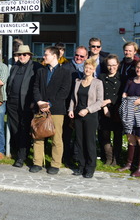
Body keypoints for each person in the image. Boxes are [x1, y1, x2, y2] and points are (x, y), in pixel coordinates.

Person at [31, 46, 72, 174]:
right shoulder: (41, 71)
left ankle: (55, 164)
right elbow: (35, 87)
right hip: (40, 108)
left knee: (56, 138)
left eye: (46, 54)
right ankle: (37, 162)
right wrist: (39, 101)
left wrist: (50, 104)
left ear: (54, 56)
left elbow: (64, 91)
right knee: (38, 136)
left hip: (57, 110)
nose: (44, 56)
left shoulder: (65, 72)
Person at [6, 45, 41, 167]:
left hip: (27, 103)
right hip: (12, 103)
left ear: (29, 55)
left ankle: (21, 156)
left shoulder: (36, 67)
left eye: (24, 54)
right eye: (19, 54)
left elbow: (38, 85)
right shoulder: (15, 67)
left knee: (24, 129)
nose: (22, 56)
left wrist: (35, 102)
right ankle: (18, 150)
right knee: (15, 128)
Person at [68, 58, 104, 178]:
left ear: (94, 69)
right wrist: (71, 110)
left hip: (90, 115)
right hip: (78, 115)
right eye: (86, 67)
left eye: (90, 68)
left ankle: (90, 167)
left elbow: (100, 101)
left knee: (89, 142)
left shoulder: (98, 83)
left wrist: (88, 110)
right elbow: (73, 98)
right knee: (79, 141)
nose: (87, 70)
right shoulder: (78, 81)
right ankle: (81, 166)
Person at [118, 59, 140, 177]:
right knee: (130, 137)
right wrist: (130, 100)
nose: (139, 70)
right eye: (138, 67)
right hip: (128, 113)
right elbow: (124, 94)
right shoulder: (130, 80)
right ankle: (129, 163)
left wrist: (130, 100)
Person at [63, 45, 89, 167]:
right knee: (67, 133)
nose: (78, 57)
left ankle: (78, 157)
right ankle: (66, 158)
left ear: (86, 57)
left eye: (81, 56)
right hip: (68, 105)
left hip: (83, 106)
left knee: (80, 134)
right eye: (76, 55)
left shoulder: (87, 69)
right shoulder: (66, 67)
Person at [97, 54, 122, 166]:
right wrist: (105, 106)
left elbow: (121, 94)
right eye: (109, 65)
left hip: (117, 109)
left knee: (117, 136)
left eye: (114, 65)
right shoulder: (101, 77)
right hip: (104, 111)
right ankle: (108, 158)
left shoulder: (122, 78)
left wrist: (109, 101)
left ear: (118, 65)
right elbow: (99, 93)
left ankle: (116, 159)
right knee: (105, 135)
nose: (112, 68)